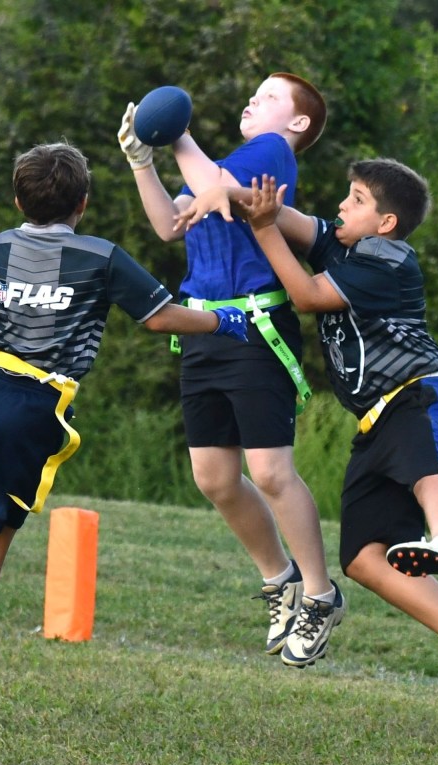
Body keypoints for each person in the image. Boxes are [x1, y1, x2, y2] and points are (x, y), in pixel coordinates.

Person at [0, 142, 249, 713]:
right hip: (33, 405)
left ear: (18, 198)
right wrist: (221, 320)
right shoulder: (100, 257)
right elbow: (160, 317)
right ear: (83, 205)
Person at [176, 160, 438, 700]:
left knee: (428, 472)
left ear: (385, 222)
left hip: (419, 391)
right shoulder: (338, 242)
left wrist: (263, 228)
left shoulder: (389, 259)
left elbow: (308, 296)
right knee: (362, 556)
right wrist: (224, 184)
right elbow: (279, 212)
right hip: (373, 420)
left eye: (356, 199)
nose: (341, 205)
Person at [116, 74, 344, 667]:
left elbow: (214, 187)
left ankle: (321, 594)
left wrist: (177, 132)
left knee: (269, 472)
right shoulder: (230, 163)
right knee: (214, 478)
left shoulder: (272, 153)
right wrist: (143, 161)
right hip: (205, 328)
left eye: (269, 97)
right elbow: (172, 224)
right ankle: (281, 579)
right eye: (255, 92)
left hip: (254, 327)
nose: (252, 99)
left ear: (296, 124)